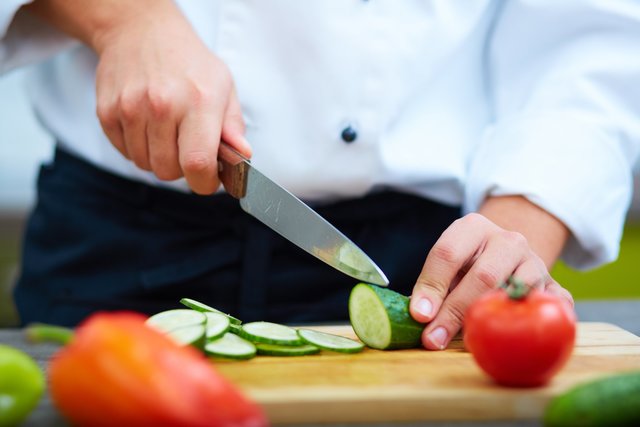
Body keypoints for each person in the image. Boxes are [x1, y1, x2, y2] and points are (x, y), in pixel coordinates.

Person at [1, 0, 639, 351]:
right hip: (116, 240)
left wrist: (510, 237)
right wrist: (124, 16)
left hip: (424, 267)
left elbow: (597, 42)